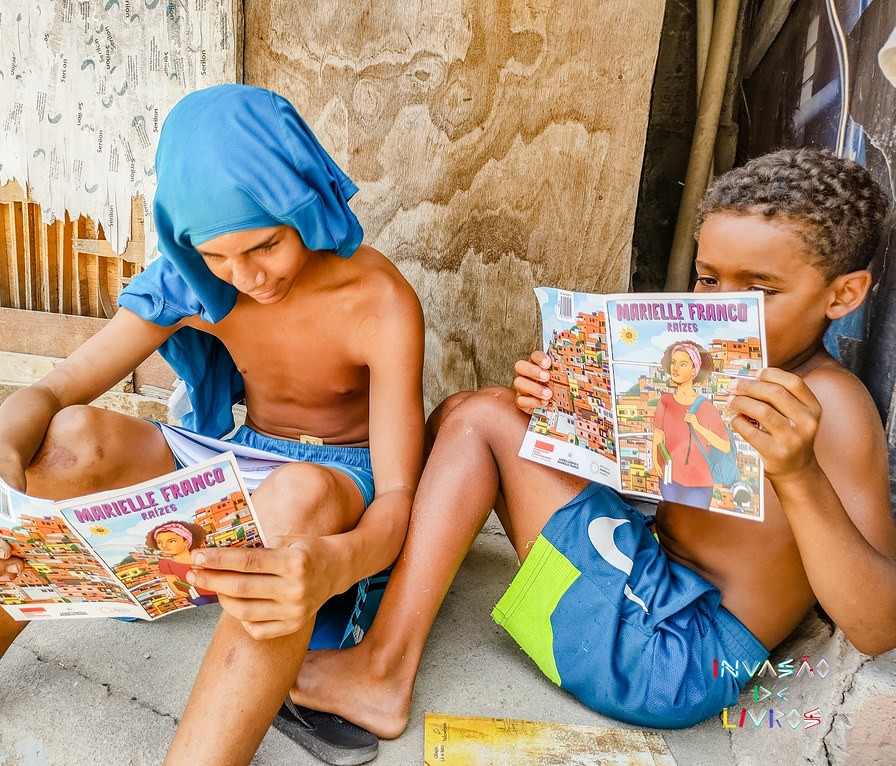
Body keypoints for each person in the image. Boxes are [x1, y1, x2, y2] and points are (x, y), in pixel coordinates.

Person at [0, 85, 424, 766]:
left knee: (298, 494)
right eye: (216, 256)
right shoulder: (196, 278)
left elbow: (400, 498)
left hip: (338, 485)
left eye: (265, 246)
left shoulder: (380, 302)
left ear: (302, 199)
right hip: (233, 462)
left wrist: (335, 560)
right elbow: (51, 393)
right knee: (73, 439)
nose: (245, 277)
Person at [290, 147, 896, 735]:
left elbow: (876, 627)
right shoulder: (704, 371)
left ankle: (381, 670)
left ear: (842, 295)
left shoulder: (832, 406)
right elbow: (650, 477)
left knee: (480, 421)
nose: (721, 306)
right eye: (708, 280)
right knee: (466, 414)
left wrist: (797, 476)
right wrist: (564, 412)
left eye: (760, 290)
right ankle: (388, 590)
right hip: (651, 577)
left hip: (679, 657)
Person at [650, 340, 730, 508]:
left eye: (683, 364)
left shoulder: (706, 406)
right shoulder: (664, 402)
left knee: (694, 524)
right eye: (673, 362)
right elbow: (658, 435)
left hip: (699, 483)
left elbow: (724, 446)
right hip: (669, 478)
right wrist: (656, 462)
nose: (675, 368)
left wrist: (698, 426)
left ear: (694, 370)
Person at [147, 520, 218, 606]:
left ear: (186, 542)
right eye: (159, 542)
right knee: (201, 602)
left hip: (216, 589)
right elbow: (171, 580)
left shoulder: (199, 555)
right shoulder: (165, 563)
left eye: (171, 541)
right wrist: (178, 591)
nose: (164, 546)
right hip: (196, 595)